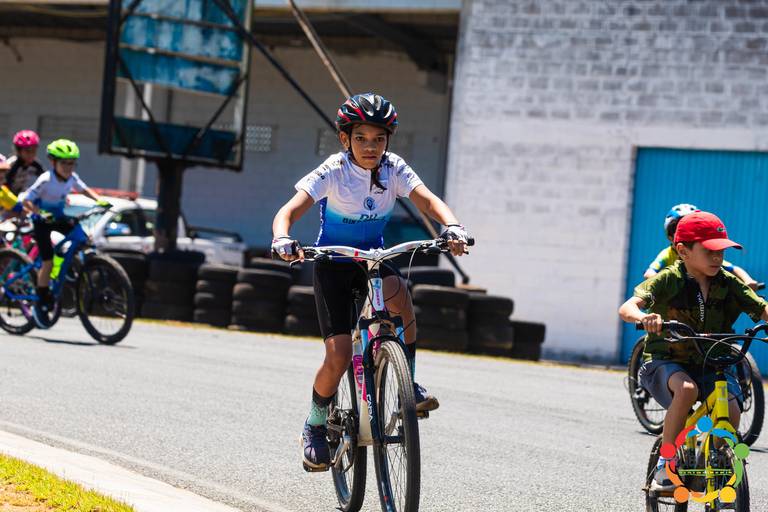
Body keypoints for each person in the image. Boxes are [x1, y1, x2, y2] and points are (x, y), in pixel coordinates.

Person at [271, 93, 471, 471]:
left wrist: (453, 226)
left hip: (373, 262)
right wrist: (282, 237)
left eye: (379, 139)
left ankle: (409, 386)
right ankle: (315, 424)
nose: (370, 146)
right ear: (345, 139)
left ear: (388, 141)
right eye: (361, 138)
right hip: (333, 264)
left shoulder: (393, 168)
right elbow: (289, 210)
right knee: (339, 355)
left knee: (401, 299)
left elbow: (428, 201)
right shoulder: (334, 170)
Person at [619, 211, 768, 492]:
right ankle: (666, 463)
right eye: (709, 251)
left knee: (732, 409)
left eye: (721, 251)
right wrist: (644, 317)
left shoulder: (728, 282)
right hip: (665, 362)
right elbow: (628, 307)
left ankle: (716, 461)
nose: (717, 257)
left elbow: (761, 308)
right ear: (683, 251)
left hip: (710, 362)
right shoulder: (668, 279)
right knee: (687, 390)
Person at [20, 139, 109, 327]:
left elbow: (84, 190)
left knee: (81, 236)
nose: (68, 167)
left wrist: (99, 200)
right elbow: (27, 201)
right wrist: (39, 213)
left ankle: (71, 266)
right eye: (64, 163)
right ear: (53, 162)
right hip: (42, 222)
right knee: (48, 261)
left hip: (58, 217)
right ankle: (41, 300)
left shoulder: (72, 177)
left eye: (72, 163)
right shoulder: (45, 179)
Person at [644, 203, 758, 290]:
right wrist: (664, 286)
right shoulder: (667, 254)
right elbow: (650, 273)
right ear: (670, 236)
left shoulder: (706, 256)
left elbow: (733, 268)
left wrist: (748, 280)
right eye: (681, 231)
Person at [2, 130, 45, 196]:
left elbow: (45, 178)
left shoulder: (35, 164)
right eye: (27, 151)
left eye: (33, 151)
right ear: (18, 151)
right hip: (6, 195)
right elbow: (5, 185)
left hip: (19, 194)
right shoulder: (11, 165)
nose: (31, 154)